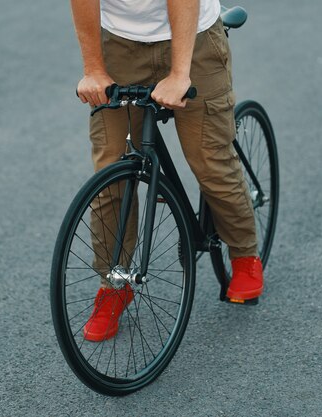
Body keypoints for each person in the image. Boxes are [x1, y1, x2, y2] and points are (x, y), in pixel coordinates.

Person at [71, 0, 263, 342]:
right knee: (109, 174)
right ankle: (114, 284)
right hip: (120, 43)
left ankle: (245, 253)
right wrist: (93, 69)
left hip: (195, 38)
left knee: (210, 162)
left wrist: (179, 74)